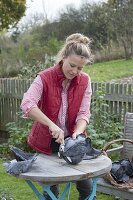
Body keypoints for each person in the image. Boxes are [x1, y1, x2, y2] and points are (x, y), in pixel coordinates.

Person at [20, 33, 95, 200]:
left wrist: (77, 132)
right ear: (63, 57)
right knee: (51, 192)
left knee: (87, 189)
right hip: (47, 143)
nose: (75, 71)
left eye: (80, 68)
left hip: (73, 141)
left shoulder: (85, 80)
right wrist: (51, 125)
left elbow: (84, 112)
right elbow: (27, 104)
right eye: (72, 65)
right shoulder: (44, 77)